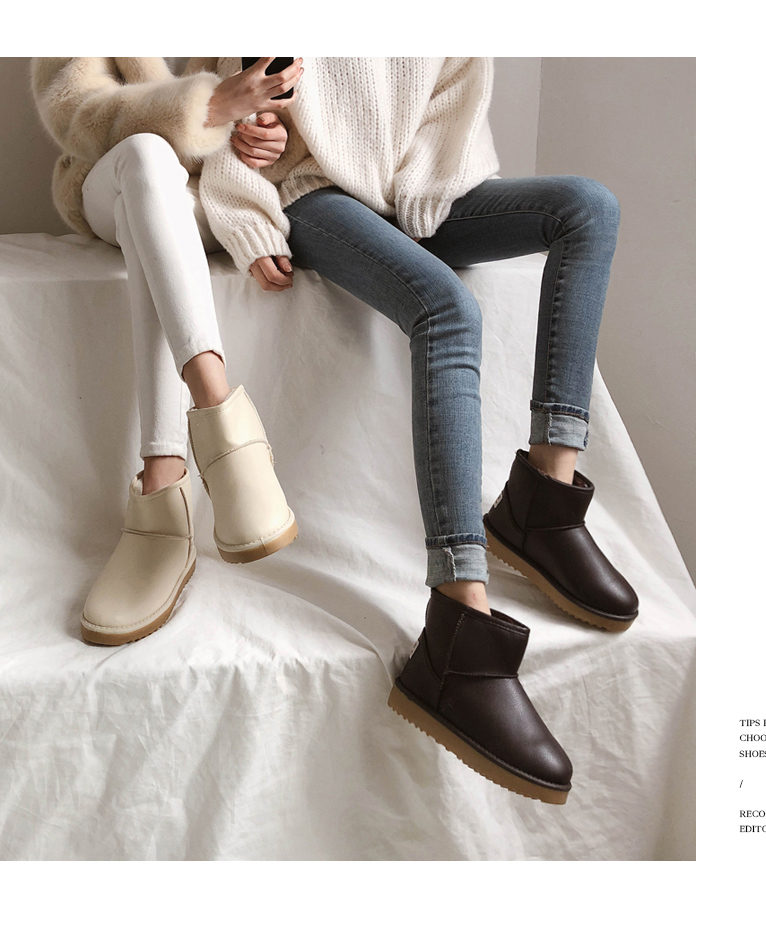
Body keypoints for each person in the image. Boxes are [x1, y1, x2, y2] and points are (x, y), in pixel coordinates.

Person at [196, 58, 640, 805]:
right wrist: (246, 209)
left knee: (588, 207)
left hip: (416, 194)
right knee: (448, 310)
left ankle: (545, 498)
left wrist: (422, 200)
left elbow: (453, 92)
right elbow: (238, 106)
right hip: (313, 194)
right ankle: (459, 628)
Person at [30, 57, 305, 646]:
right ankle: (224, 426)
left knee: (154, 231)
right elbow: (73, 111)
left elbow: (303, 121)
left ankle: (164, 491)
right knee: (148, 155)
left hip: (218, 194)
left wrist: (270, 139)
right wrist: (210, 107)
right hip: (115, 177)